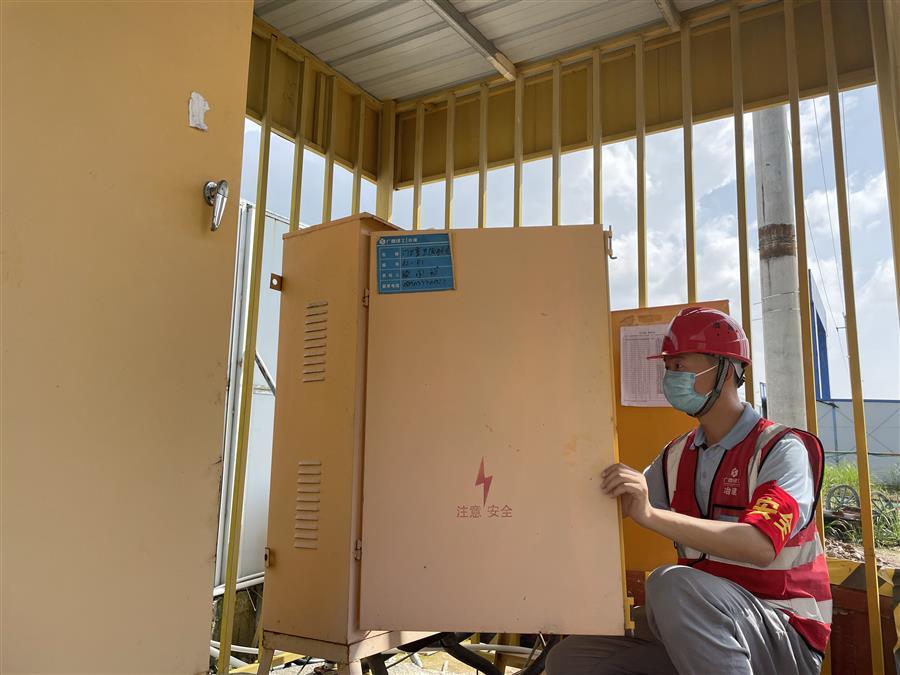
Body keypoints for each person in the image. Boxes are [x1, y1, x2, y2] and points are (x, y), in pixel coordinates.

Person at [546, 307, 831, 675]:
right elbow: (616, 506)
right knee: (571, 660)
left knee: (669, 584)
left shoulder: (780, 449)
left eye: (680, 365)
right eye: (668, 368)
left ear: (725, 369)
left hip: (781, 627)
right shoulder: (677, 454)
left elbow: (760, 545)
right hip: (703, 623)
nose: (671, 378)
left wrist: (651, 514)